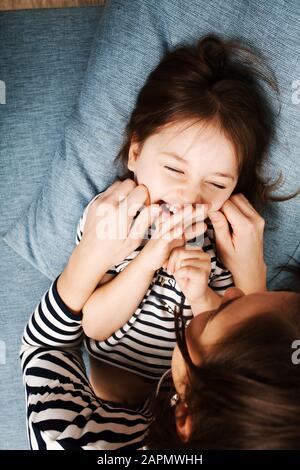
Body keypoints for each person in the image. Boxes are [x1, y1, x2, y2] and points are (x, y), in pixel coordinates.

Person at [21, 181, 300, 450]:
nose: (231, 293)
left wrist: (88, 259)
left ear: (184, 417)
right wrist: (252, 280)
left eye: (217, 313)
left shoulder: (64, 436)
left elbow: (43, 347)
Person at [76, 35, 280, 383]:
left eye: (216, 183)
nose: (190, 195)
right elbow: (94, 326)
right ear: (136, 153)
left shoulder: (221, 243)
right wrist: (149, 259)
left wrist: (202, 295)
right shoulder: (117, 218)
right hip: (109, 390)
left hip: (184, 398)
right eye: (174, 170)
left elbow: (232, 341)